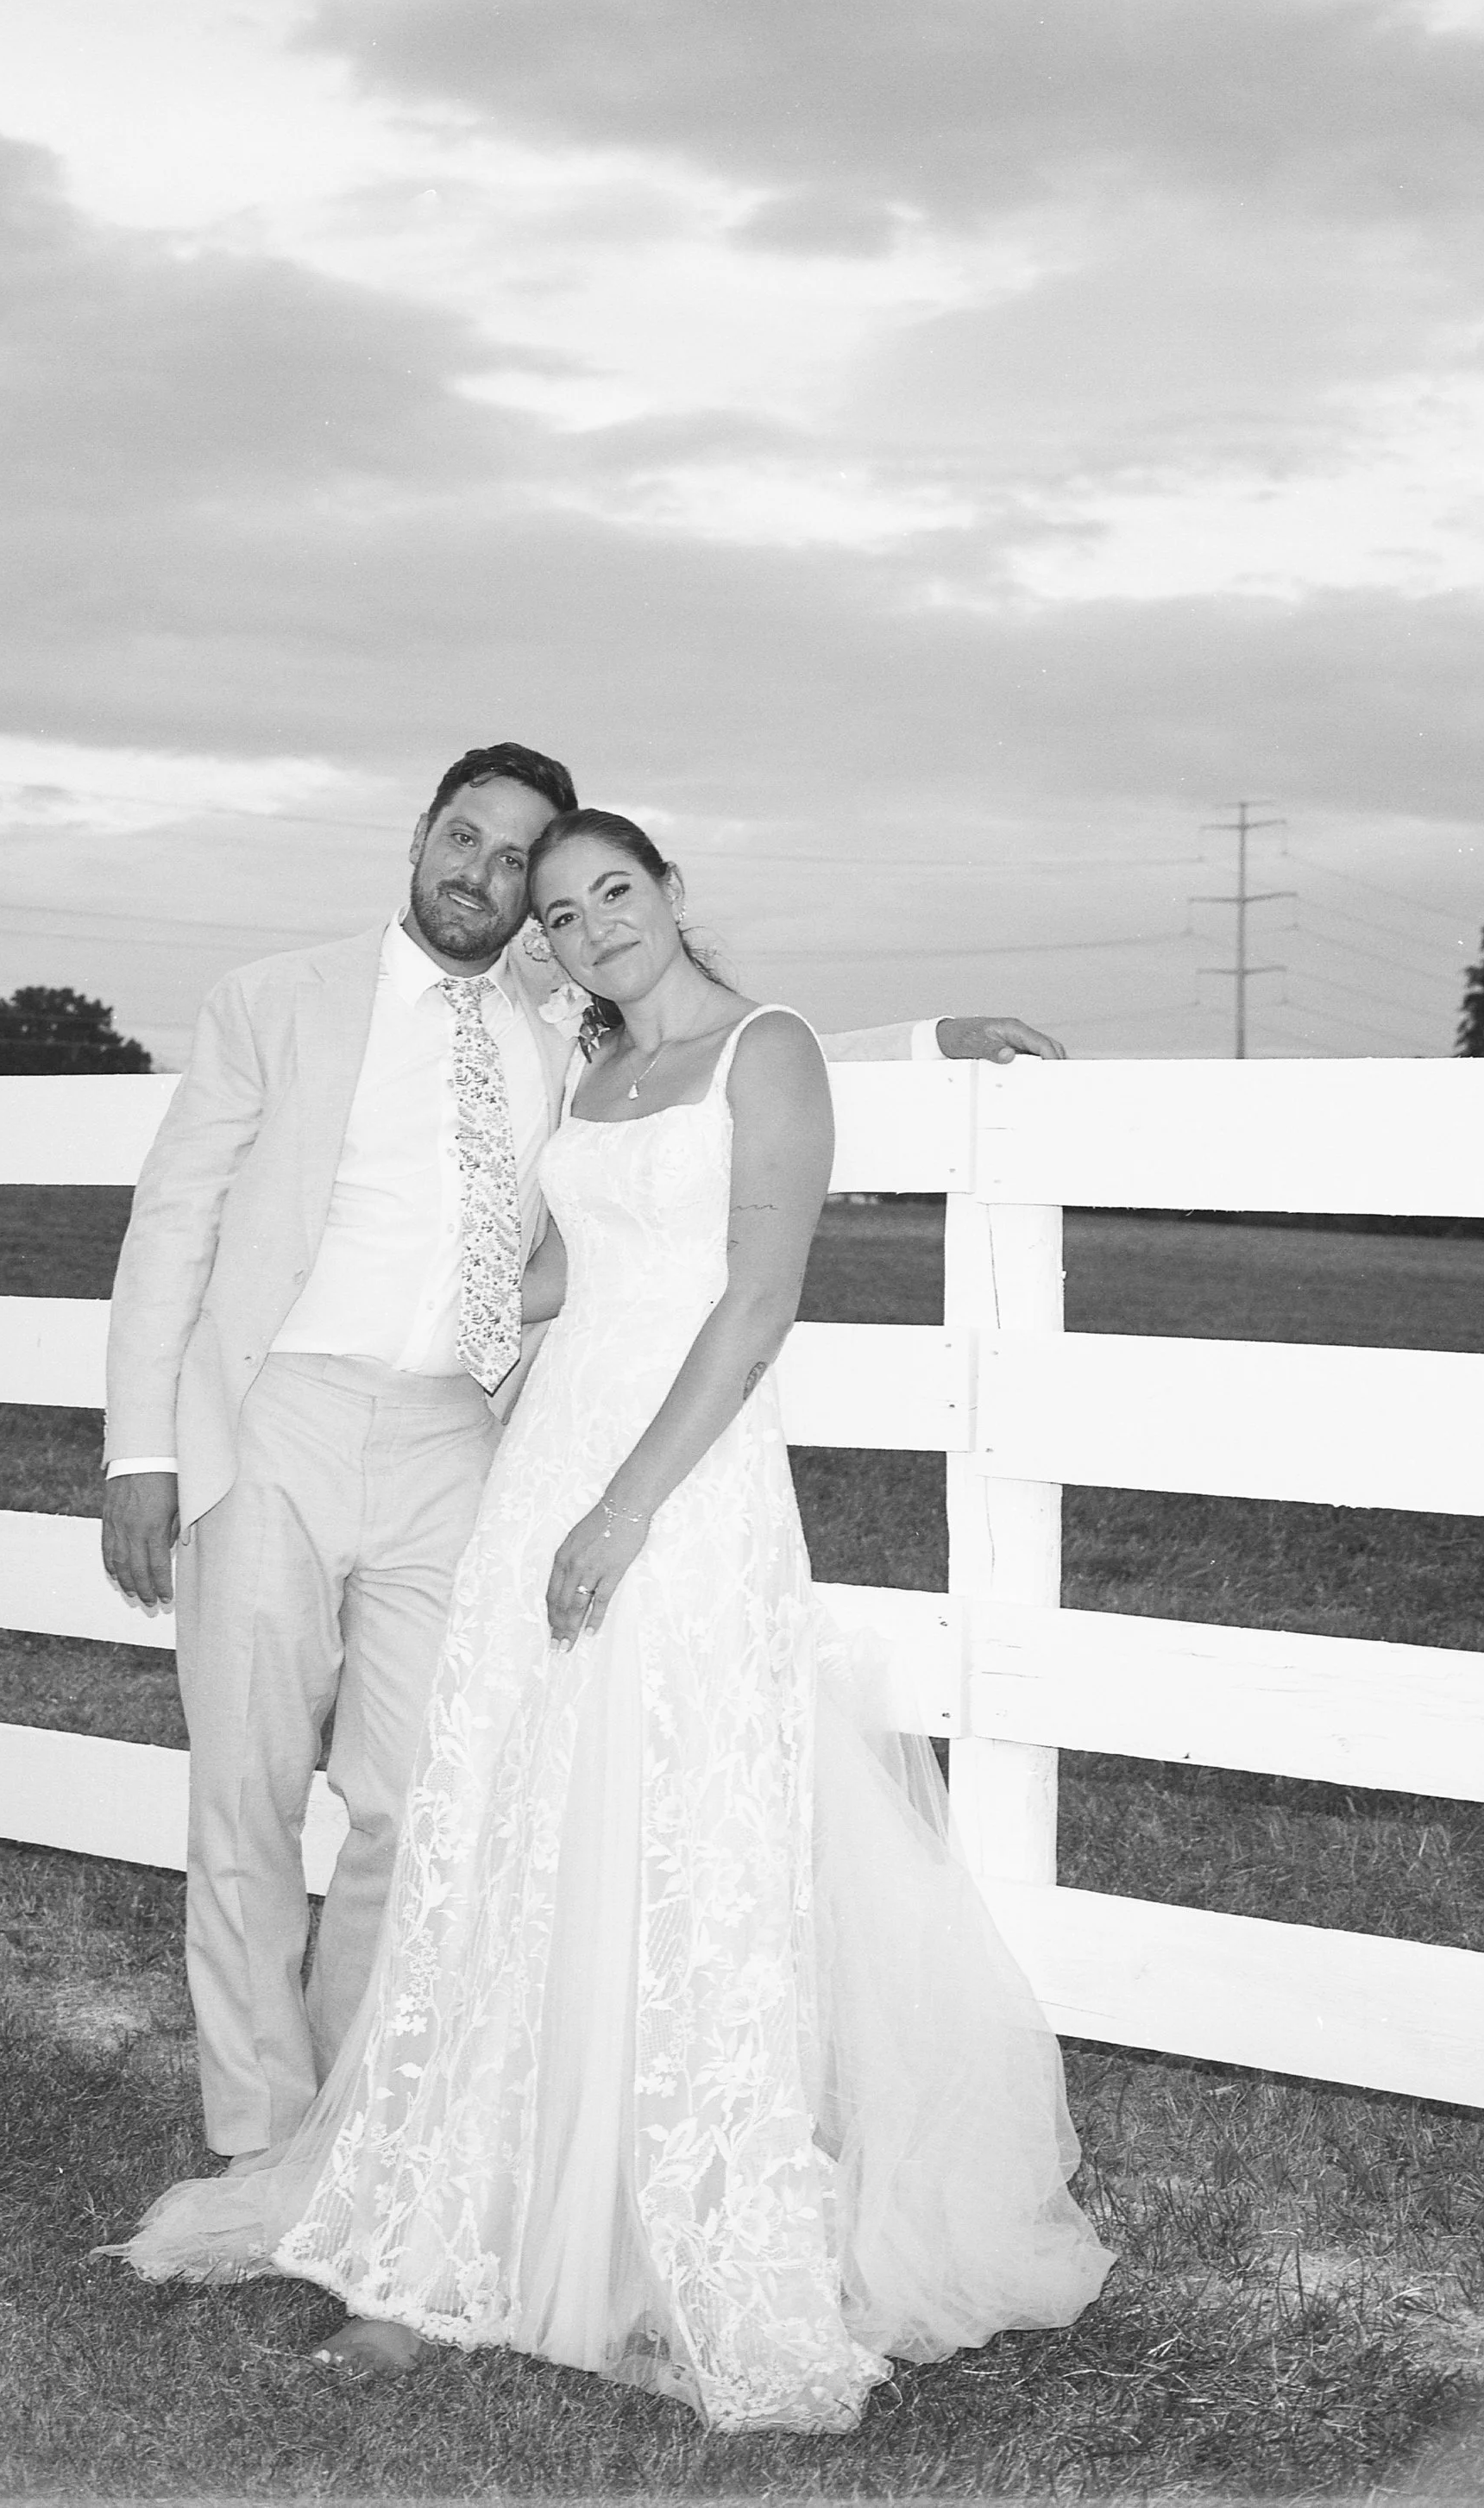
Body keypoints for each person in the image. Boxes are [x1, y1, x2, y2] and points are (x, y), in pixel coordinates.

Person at [101, 808, 1111, 2434]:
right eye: (552, 906)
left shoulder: (701, 1041)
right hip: (477, 1446)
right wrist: (195, 1423)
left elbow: (755, 1250)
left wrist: (934, 1039)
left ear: (666, 892)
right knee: (482, 1836)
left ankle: (670, 2229)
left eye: (601, 893)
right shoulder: (522, 1039)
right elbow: (565, 1200)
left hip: (657, 1478)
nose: (579, 927)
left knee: (660, 1840)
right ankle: (392, 2208)